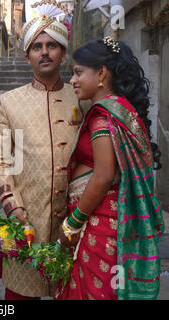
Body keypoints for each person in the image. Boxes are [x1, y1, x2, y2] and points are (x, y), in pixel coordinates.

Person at [55, 37, 164, 300]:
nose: (73, 80)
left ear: (102, 74)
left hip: (99, 221)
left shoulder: (103, 116)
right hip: (110, 220)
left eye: (79, 72)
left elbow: (103, 176)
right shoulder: (123, 110)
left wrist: (73, 222)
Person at [0, 0, 85, 300]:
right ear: (27, 56)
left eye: (52, 45)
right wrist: (13, 206)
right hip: (25, 218)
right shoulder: (9, 101)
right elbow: (0, 159)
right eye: (37, 46)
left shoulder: (83, 97)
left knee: (72, 291)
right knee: (20, 294)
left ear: (62, 53)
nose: (44, 52)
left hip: (75, 219)